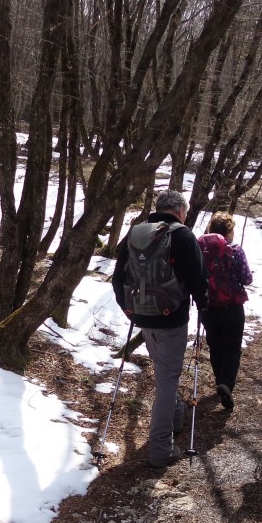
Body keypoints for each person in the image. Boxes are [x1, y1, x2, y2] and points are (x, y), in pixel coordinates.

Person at [113, 190, 208, 467]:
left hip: (142, 316)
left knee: (165, 373)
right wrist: (203, 307)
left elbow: (118, 278)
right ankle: (160, 448)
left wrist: (129, 308)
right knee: (166, 379)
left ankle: (176, 415)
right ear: (180, 210)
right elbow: (198, 279)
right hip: (171, 317)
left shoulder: (135, 233)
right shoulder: (181, 235)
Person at [197, 212, 253, 411]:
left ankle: (220, 379)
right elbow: (246, 278)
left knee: (215, 344)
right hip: (232, 306)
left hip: (207, 306)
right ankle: (226, 383)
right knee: (232, 346)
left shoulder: (200, 249)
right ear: (229, 231)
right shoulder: (235, 250)